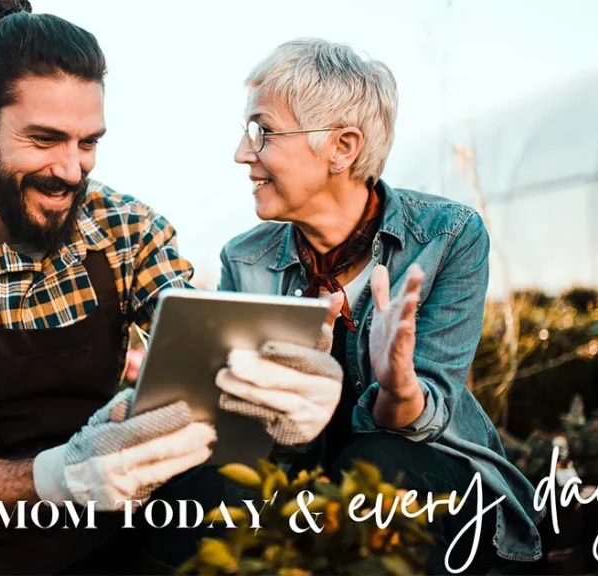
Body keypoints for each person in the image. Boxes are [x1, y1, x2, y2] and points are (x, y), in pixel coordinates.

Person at [0, 3, 341, 573]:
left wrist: (276, 407)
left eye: (87, 142)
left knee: (236, 514)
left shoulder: (129, 230)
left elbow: (206, 372)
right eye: (45, 139)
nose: (71, 170)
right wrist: (64, 475)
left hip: (110, 510)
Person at [217, 38, 544, 574]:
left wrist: (399, 389)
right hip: (302, 481)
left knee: (377, 468)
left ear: (342, 148)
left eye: (263, 131)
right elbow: (250, 440)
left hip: (428, 476)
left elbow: (424, 416)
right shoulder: (243, 260)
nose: (242, 153)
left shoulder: (447, 236)